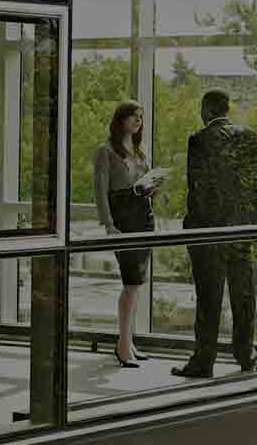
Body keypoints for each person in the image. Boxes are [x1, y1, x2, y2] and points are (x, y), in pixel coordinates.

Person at [173, 89, 257, 379]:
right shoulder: (250, 137)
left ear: (207, 110)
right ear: (228, 108)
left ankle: (204, 360)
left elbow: (197, 188)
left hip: (209, 233)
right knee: (243, 295)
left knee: (209, 297)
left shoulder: (199, 140)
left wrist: (193, 226)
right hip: (240, 230)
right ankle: (246, 355)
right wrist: (248, 224)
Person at [93, 101, 162, 369]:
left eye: (141, 117)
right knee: (131, 281)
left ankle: (127, 342)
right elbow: (100, 190)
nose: (138, 120)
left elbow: (144, 185)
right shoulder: (105, 151)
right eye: (134, 116)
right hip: (123, 220)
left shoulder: (139, 151)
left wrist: (154, 187)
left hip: (143, 216)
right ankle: (123, 345)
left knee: (137, 282)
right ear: (120, 119)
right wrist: (108, 224)